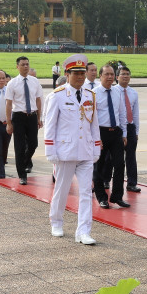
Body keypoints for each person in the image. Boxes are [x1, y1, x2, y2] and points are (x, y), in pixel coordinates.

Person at [44, 54, 101, 245]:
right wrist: (50, 150)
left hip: (85, 149)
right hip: (65, 151)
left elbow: (94, 125)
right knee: (62, 189)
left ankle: (83, 231)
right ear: (67, 74)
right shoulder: (57, 96)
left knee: (86, 192)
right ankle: (56, 221)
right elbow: (50, 125)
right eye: (76, 73)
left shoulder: (90, 95)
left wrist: (96, 147)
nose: (80, 77)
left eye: (82, 73)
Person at [92, 64, 130, 209]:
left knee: (120, 164)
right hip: (100, 132)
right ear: (100, 76)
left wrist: (124, 133)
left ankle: (117, 196)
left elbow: (122, 113)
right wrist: (96, 137)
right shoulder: (93, 93)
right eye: (106, 74)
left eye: (112, 74)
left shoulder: (117, 92)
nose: (109, 77)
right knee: (99, 166)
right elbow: (92, 118)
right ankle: (102, 197)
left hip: (116, 133)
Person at [5, 56, 43, 185]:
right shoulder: (12, 83)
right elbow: (9, 104)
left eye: (27, 64)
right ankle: (22, 175)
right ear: (17, 66)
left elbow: (38, 100)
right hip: (19, 116)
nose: (26, 66)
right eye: (23, 64)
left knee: (33, 144)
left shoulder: (34, 82)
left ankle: (24, 162)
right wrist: (9, 123)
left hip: (31, 115)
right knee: (19, 146)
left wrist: (39, 117)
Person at [117, 64, 141, 193]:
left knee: (131, 156)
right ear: (117, 77)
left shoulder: (133, 93)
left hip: (130, 127)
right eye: (123, 74)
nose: (126, 76)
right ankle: (111, 182)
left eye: (128, 74)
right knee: (116, 158)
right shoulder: (114, 91)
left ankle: (132, 183)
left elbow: (136, 113)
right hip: (119, 128)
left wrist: (136, 130)